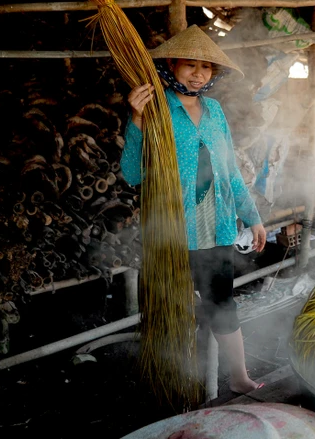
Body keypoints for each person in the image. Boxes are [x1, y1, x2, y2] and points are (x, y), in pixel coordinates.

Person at [120, 24, 267, 394]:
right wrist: (136, 122)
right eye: (191, 64)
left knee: (222, 303)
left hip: (216, 227)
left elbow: (230, 170)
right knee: (173, 309)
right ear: (171, 63)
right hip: (172, 230)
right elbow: (132, 175)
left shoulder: (215, 111)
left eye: (207, 67)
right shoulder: (154, 109)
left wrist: (253, 217)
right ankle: (175, 382)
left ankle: (238, 377)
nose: (199, 73)